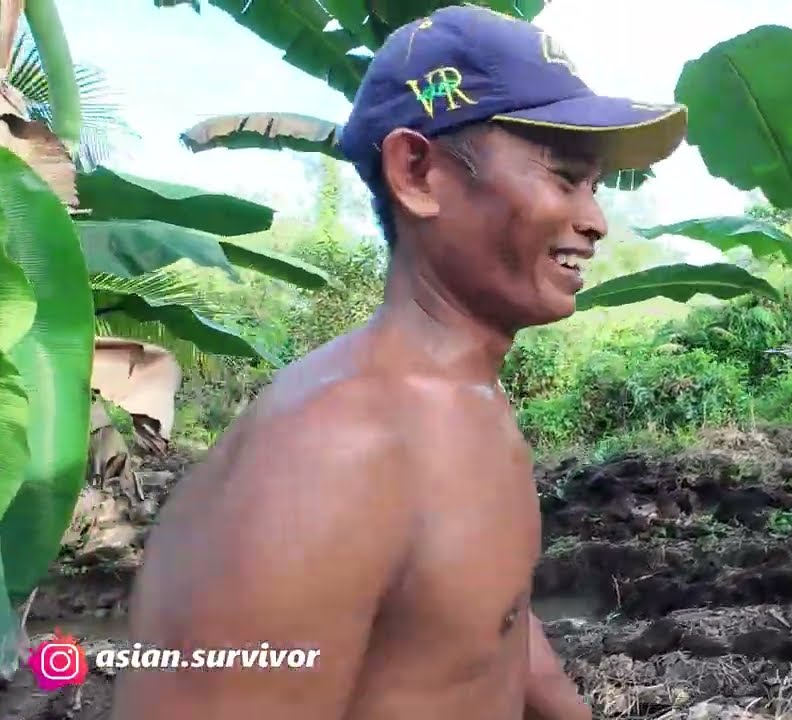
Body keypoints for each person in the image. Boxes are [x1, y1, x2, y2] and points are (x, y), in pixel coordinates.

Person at [110, 5, 686, 719]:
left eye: (593, 187)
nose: (596, 221)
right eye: (565, 177)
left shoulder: (468, 402)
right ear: (417, 173)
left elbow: (491, 625)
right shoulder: (330, 455)